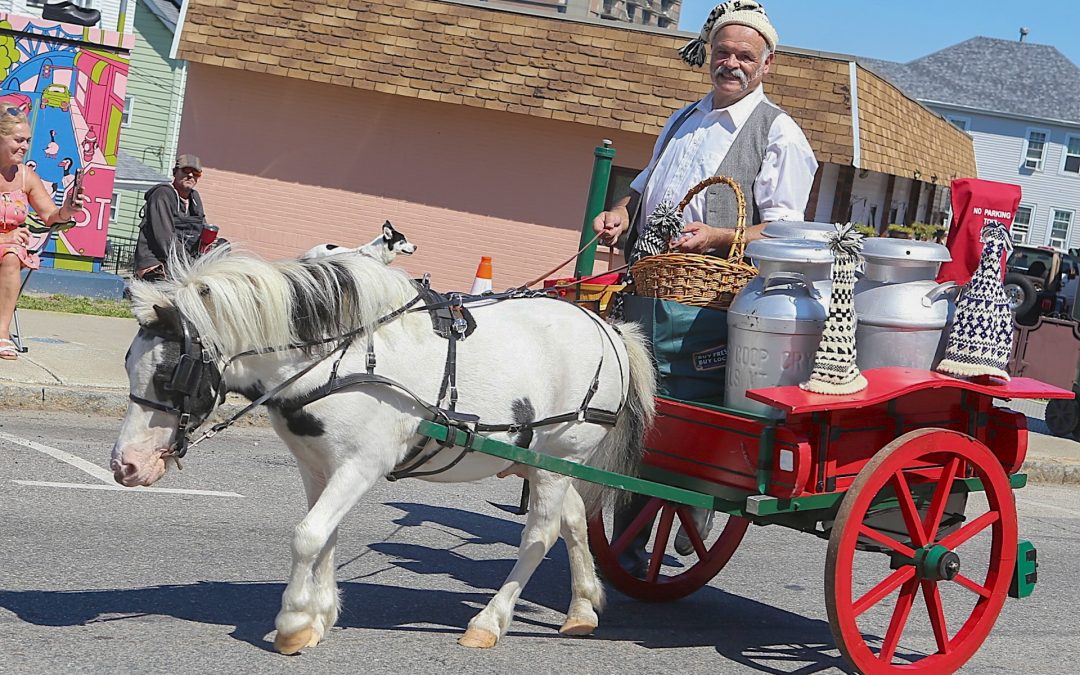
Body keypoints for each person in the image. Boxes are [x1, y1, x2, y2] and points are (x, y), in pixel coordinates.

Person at [591, 0, 818, 575]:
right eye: (723, 53)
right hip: (649, 286)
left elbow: (788, 229)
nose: (732, 64)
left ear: (768, 65)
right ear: (709, 57)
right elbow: (643, 186)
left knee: (685, 408)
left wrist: (720, 235)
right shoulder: (683, 118)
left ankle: (700, 511)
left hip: (711, 303)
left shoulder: (780, 133)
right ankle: (630, 544)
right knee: (634, 406)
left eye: (746, 56)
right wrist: (620, 211)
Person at [0, 107, 85, 360]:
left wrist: (67, 208)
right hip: (6, 242)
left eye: (27, 140)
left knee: (13, 255)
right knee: (11, 249)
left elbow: (50, 215)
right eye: (18, 140)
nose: (25, 146)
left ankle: (1, 332)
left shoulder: (26, 176)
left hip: (9, 251)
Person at [134, 154, 210, 281]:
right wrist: (190, 266)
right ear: (175, 172)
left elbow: (203, 229)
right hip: (157, 263)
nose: (190, 175)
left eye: (196, 173)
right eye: (186, 170)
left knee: (222, 245)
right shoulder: (162, 195)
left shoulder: (194, 198)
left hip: (185, 264)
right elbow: (165, 239)